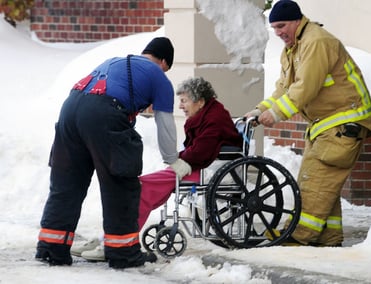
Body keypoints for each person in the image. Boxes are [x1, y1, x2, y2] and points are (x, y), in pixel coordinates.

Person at [35, 37, 190, 269]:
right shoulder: (159, 77)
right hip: (103, 113)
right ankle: (123, 254)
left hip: (70, 110)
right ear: (165, 62)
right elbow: (165, 124)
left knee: (67, 183)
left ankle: (51, 248)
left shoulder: (115, 61)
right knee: (121, 184)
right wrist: (173, 160)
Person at [246, 0, 371, 247]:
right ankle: (328, 238)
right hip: (328, 126)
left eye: (282, 26)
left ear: (297, 20)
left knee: (313, 182)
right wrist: (260, 110)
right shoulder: (293, 48)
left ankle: (298, 236)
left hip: (343, 124)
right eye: (274, 28)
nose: (278, 32)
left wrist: (275, 115)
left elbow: (305, 87)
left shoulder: (316, 42)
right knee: (324, 184)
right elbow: (283, 88)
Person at [75, 76, 244, 261]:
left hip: (207, 170)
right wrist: (180, 159)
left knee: (142, 189)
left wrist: (179, 159)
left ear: (200, 101)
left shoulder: (214, 119)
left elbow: (202, 150)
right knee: (140, 187)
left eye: (184, 101)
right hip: (200, 167)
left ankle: (117, 243)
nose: (180, 106)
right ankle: (108, 237)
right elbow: (197, 150)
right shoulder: (207, 114)